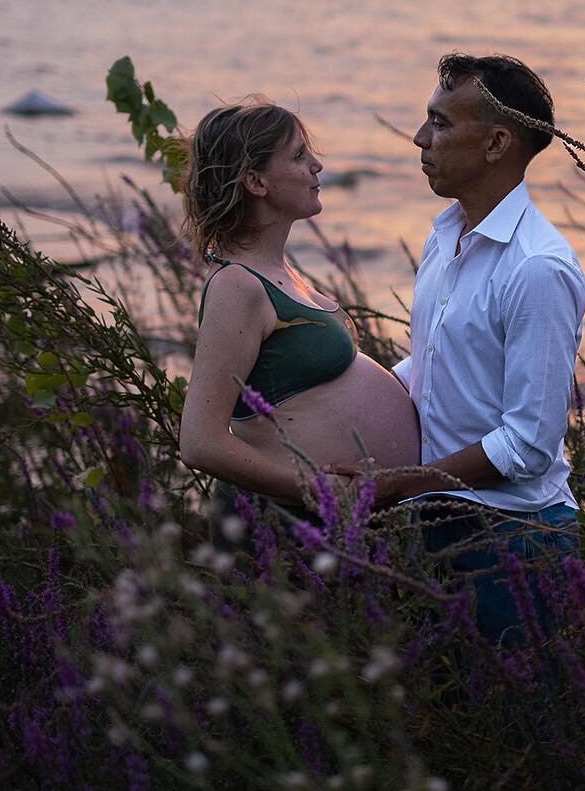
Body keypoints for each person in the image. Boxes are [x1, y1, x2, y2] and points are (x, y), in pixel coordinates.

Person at [347, 53, 585, 646]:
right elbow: (431, 368)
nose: (420, 138)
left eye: (441, 124)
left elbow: (528, 443)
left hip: (516, 539)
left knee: (524, 722)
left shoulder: (536, 269)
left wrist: (401, 482)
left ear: (496, 143)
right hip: (442, 519)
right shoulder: (444, 233)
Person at [177, 100, 420, 506]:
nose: (316, 166)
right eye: (298, 156)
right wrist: (315, 489)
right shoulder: (237, 285)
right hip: (299, 525)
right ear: (256, 182)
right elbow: (200, 441)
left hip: (355, 521)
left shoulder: (280, 273)